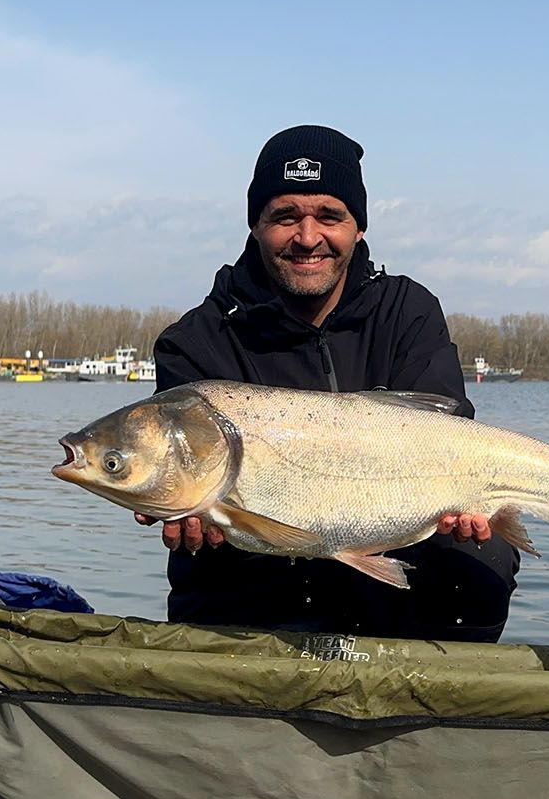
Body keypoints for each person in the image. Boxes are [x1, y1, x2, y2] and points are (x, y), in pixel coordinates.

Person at [141, 124, 519, 643]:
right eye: (285, 216)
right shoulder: (193, 343)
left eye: (329, 216)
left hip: (396, 547)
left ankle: (438, 689)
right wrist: (191, 513)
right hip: (252, 578)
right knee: (210, 545)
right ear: (256, 225)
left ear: (358, 227)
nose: (307, 237)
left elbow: (448, 434)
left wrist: (468, 504)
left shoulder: (407, 312)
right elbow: (176, 476)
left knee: (482, 555)